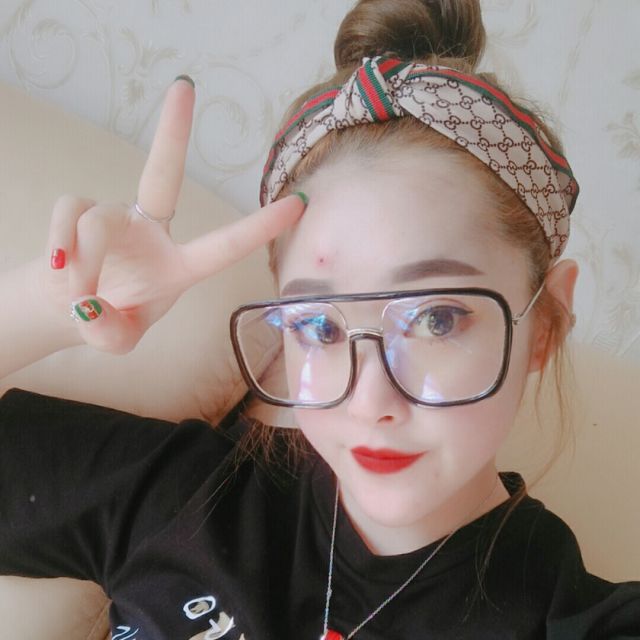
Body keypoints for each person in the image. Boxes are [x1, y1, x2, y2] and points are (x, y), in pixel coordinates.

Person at [1, 1, 639, 638]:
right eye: (319, 327)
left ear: (546, 324)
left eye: (436, 319)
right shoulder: (191, 497)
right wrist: (49, 305)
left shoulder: (575, 620)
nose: (369, 402)